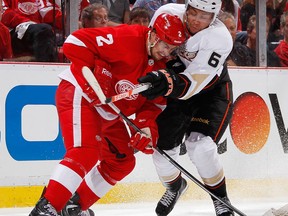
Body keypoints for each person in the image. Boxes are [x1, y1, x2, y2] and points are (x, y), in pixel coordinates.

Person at [29, 13, 187, 216]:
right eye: (165, 45)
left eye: (172, 49)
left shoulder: (161, 67)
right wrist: (94, 75)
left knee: (122, 161)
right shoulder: (128, 37)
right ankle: (47, 208)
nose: (167, 52)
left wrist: (147, 127)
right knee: (85, 151)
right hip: (80, 93)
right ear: (154, 35)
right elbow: (74, 42)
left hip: (108, 112)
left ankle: (73, 206)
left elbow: (155, 105)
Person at [138, 0, 235, 215]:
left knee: (200, 147)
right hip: (175, 86)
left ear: (214, 17)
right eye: (193, 13)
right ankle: (175, 187)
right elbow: (151, 46)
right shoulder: (166, 13)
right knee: (161, 153)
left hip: (209, 91)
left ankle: (221, 199)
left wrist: (166, 81)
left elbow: (193, 84)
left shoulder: (219, 38)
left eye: (205, 16)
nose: (197, 20)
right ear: (186, 9)